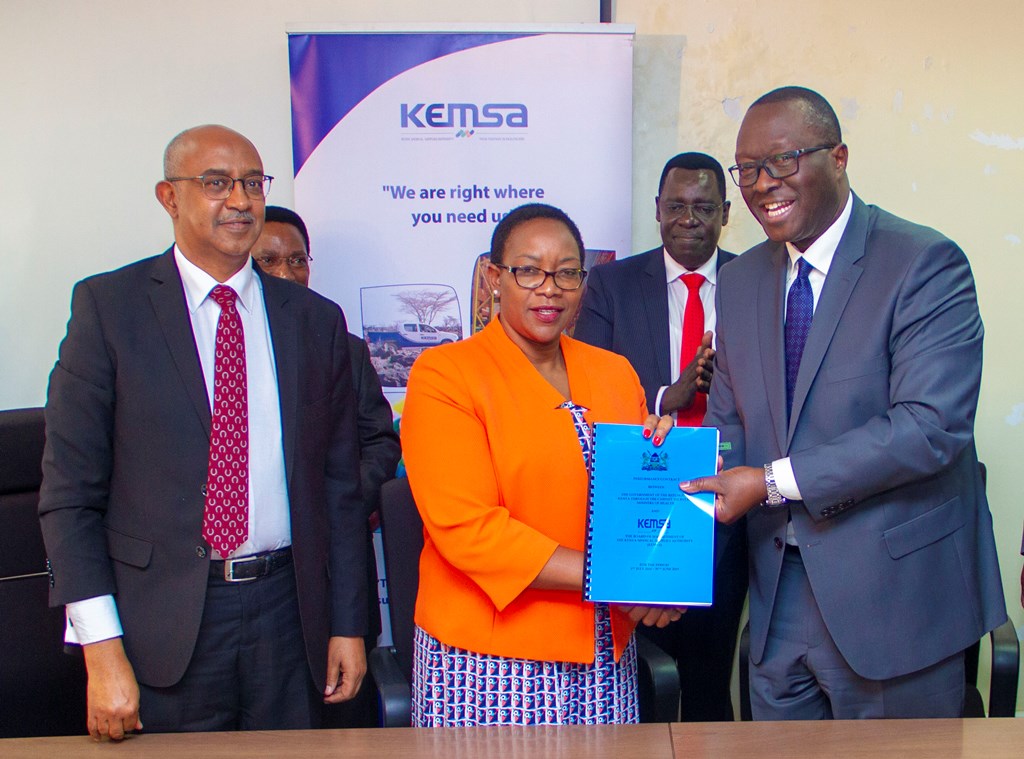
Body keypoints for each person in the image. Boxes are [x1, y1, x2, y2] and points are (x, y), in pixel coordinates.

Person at [681, 87, 1007, 719]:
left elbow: (929, 428)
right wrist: (661, 518)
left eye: (781, 161)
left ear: (839, 156)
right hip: (777, 603)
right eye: (745, 169)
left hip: (896, 604)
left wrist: (770, 482)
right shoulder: (742, 279)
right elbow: (728, 431)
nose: (760, 184)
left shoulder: (923, 263)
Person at [38, 125, 368, 738]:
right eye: (216, 183)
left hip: (289, 616)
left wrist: (349, 623)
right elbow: (70, 497)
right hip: (161, 623)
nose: (240, 201)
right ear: (169, 197)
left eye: (252, 183)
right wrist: (100, 649)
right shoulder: (110, 309)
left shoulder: (313, 320)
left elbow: (338, 488)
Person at [401, 203, 679, 727]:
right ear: (494, 277)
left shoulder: (614, 372)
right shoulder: (446, 375)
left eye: (568, 271)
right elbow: (469, 530)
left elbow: (638, 502)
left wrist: (662, 461)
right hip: (487, 663)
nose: (549, 288)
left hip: (603, 655)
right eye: (529, 270)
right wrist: (621, 578)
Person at [574, 152, 746, 721]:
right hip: (640, 496)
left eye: (703, 207)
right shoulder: (611, 284)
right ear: (656, 211)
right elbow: (586, 382)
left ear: (725, 213)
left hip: (730, 500)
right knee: (643, 667)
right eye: (676, 206)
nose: (689, 219)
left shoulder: (758, 280)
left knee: (709, 669)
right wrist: (664, 397)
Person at [252, 205, 402, 727]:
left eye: (297, 260)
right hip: (254, 578)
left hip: (333, 571)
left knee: (332, 723)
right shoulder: (232, 346)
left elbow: (380, 441)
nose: (288, 273)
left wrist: (327, 508)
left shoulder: (343, 343)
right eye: (269, 261)